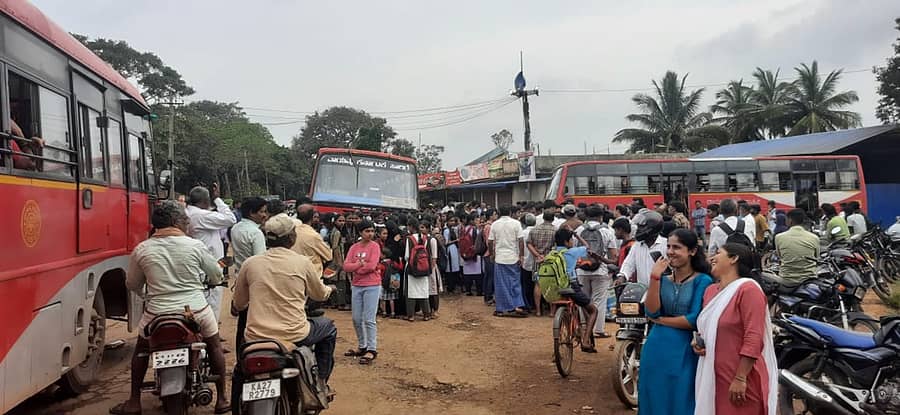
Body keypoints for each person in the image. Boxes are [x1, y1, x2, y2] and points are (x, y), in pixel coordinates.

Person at [111, 201, 229, 415]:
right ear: (176, 222)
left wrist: (146, 295)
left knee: (141, 351)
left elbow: (132, 284)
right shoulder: (195, 246)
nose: (187, 223)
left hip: (156, 314)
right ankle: (221, 399)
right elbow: (216, 274)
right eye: (185, 220)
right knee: (214, 346)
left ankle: (134, 401)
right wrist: (213, 279)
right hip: (196, 311)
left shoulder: (142, 249)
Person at [232, 214, 337, 401]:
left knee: (240, 371)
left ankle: (235, 403)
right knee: (329, 328)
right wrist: (330, 289)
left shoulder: (251, 263)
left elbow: (239, 304)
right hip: (295, 334)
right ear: (291, 237)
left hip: (256, 336)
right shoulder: (303, 263)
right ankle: (320, 381)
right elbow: (319, 294)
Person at [694, 243, 778, 414]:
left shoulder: (749, 290)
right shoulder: (710, 291)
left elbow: (754, 337)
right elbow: (707, 329)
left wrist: (740, 377)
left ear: (733, 258)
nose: (712, 258)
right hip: (712, 377)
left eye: (718, 253)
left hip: (741, 378)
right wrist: (698, 342)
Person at [639, 229, 714, 415]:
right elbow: (650, 310)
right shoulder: (663, 280)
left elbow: (693, 319)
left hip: (685, 350)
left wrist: (660, 320)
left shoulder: (703, 280)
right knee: (654, 398)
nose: (670, 252)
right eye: (669, 247)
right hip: (655, 349)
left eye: (677, 247)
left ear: (692, 251)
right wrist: (655, 277)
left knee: (682, 399)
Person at [184, 184, 237, 325]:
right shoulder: (202, 215)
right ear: (206, 201)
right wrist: (218, 199)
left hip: (196, 263)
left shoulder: (188, 213)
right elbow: (231, 219)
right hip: (210, 264)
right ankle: (212, 336)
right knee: (212, 300)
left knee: (200, 301)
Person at [229, 197, 269, 347]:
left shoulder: (235, 228)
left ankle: (241, 359)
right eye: (262, 212)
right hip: (254, 281)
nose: (265, 215)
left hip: (240, 277)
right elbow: (260, 261)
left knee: (243, 322)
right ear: (252, 213)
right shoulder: (255, 233)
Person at [342, 220, 382, 365]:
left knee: (369, 319)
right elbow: (345, 266)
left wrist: (356, 268)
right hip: (357, 285)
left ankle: (372, 348)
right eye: (367, 231)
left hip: (372, 285)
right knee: (356, 318)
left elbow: (372, 266)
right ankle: (362, 345)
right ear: (360, 232)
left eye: (372, 231)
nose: (370, 234)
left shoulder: (375, 246)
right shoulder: (354, 247)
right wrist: (359, 264)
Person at [552, 228, 599, 352]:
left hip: (556, 287)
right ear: (567, 242)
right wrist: (576, 234)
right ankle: (585, 342)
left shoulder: (552, 253)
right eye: (571, 240)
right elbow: (587, 246)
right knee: (593, 310)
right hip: (572, 285)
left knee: (573, 305)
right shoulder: (572, 252)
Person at [575, 205, 618, 337]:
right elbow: (613, 255)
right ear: (601, 217)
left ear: (586, 216)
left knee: (583, 300)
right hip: (601, 269)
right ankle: (598, 330)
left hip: (581, 269)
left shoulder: (579, 229)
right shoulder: (608, 231)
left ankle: (584, 328)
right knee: (599, 300)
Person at [488, 205, 528, 317]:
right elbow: (521, 241)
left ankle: (501, 308)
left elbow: (490, 242)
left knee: (500, 284)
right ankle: (517, 305)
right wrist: (521, 255)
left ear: (499, 212)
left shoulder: (495, 224)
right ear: (510, 212)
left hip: (500, 258)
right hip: (513, 257)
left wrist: (492, 254)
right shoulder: (516, 223)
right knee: (515, 283)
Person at [619, 211, 667, 286]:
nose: (638, 230)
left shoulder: (666, 245)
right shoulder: (636, 245)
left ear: (652, 228)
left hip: (661, 289)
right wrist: (622, 276)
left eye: (641, 227)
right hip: (642, 290)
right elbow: (629, 263)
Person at [775, 209, 820, 284]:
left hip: (787, 279)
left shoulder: (779, 237)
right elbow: (816, 258)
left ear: (790, 220)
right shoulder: (814, 238)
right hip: (809, 278)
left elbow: (780, 257)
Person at [404, 218, 436, 321]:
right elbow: (429, 254)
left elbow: (407, 256)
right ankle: (426, 314)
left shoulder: (409, 239)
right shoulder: (426, 238)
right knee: (423, 292)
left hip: (412, 269)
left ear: (411, 227)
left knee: (411, 292)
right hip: (424, 268)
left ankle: (411, 315)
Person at [526, 210, 557, 316]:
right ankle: (552, 311)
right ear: (553, 219)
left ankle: (538, 311)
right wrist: (547, 256)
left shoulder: (535, 229)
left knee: (538, 284)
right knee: (551, 285)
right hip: (551, 261)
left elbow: (529, 243)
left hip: (538, 260)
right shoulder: (555, 230)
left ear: (543, 218)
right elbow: (556, 246)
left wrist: (537, 255)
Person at [291, 204, 333, 277]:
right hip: (311, 276)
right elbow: (329, 256)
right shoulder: (313, 235)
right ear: (312, 217)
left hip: (293, 272)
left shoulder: (290, 232)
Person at [460, 213, 484, 297]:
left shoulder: (463, 230)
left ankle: (468, 290)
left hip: (465, 254)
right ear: (472, 221)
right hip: (474, 254)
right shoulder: (475, 230)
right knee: (477, 272)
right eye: (476, 220)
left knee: (467, 272)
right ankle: (479, 291)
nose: (478, 221)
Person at [520, 213, 538, 311]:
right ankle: (536, 305)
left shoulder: (522, 233)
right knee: (536, 284)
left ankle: (527, 304)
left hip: (525, 264)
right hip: (536, 264)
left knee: (526, 285)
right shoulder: (537, 232)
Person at [443, 215, 462, 294]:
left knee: (454, 268)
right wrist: (455, 240)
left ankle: (453, 286)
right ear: (447, 221)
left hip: (454, 250)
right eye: (451, 221)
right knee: (450, 269)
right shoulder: (446, 231)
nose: (453, 222)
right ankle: (450, 287)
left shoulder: (453, 229)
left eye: (454, 221)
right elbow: (446, 242)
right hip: (450, 250)